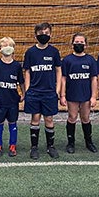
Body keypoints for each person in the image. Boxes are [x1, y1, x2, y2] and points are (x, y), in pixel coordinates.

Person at [23, 22, 62, 159]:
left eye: (46, 33)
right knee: (35, 118)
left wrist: (57, 90)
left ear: (50, 34)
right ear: (36, 35)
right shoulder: (30, 52)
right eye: (41, 33)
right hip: (34, 92)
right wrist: (27, 90)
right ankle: (34, 148)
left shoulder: (54, 52)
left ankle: (50, 146)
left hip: (49, 92)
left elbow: (58, 70)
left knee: (49, 119)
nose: (43, 36)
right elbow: (27, 71)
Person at [60, 33, 98, 154]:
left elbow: (93, 79)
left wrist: (93, 96)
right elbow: (63, 79)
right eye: (77, 42)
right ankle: (71, 142)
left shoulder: (90, 60)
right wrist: (62, 95)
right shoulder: (67, 60)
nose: (79, 44)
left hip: (86, 95)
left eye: (81, 42)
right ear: (72, 44)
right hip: (72, 94)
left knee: (85, 118)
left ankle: (89, 142)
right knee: (72, 117)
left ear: (85, 45)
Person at [0, 37, 25, 157]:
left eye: (9, 45)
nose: (7, 47)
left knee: (13, 123)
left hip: (13, 101)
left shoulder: (17, 66)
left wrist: (24, 94)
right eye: (4, 45)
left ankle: (12, 145)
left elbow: (21, 82)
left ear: (13, 49)